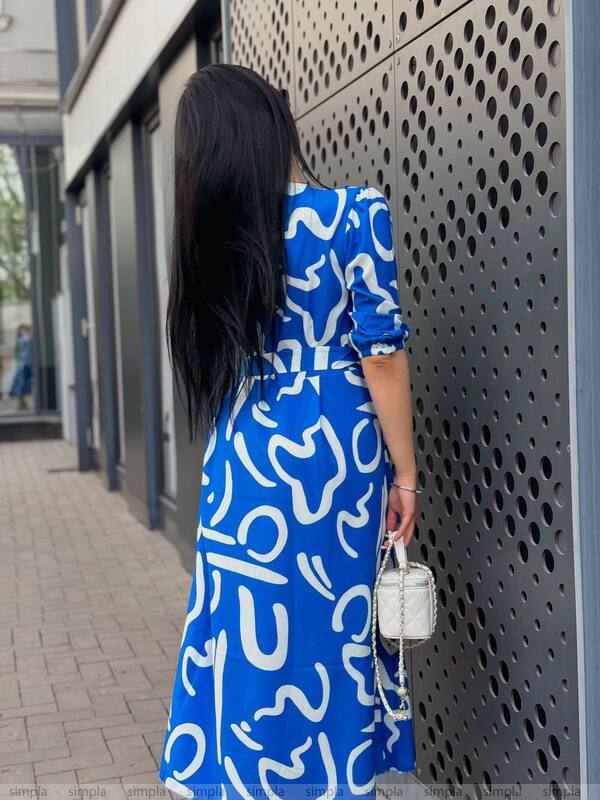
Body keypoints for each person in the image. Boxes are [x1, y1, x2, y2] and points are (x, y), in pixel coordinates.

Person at [159, 63, 419, 799]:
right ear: (275, 120)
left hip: (242, 446)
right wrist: (406, 473)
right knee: (331, 624)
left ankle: (244, 775)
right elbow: (383, 356)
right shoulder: (351, 214)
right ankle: (330, 780)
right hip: (332, 451)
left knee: (245, 617)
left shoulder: (215, 234)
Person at [9, 323, 33, 411]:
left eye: (24, 329)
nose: (23, 331)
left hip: (27, 363)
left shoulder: (27, 338)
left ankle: (23, 403)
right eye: (21, 330)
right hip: (22, 364)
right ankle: (19, 403)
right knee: (20, 384)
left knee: (25, 384)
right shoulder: (21, 339)